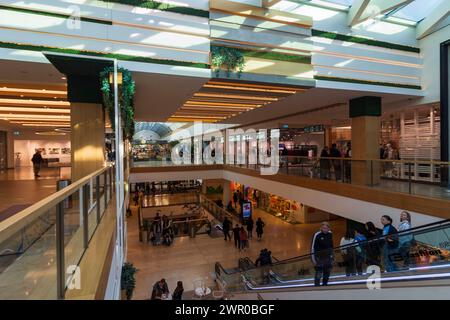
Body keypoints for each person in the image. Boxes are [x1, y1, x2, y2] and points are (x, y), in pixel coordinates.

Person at [311, 222, 334, 286]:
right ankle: (317, 285)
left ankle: (325, 284)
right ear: (321, 228)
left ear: (328, 228)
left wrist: (332, 256)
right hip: (319, 257)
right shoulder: (317, 235)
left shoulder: (330, 234)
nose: (325, 229)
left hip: (328, 257)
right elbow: (313, 248)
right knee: (319, 272)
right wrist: (313, 259)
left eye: (326, 228)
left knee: (327, 272)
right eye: (323, 228)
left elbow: (331, 246)